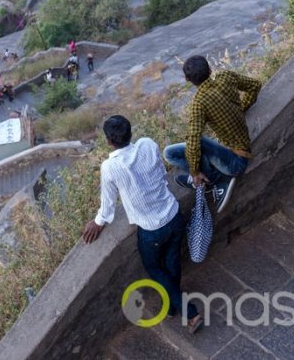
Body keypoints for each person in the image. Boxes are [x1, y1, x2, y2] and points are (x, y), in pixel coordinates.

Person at [82, 116, 203, 333]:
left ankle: (189, 312)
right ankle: (173, 305)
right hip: (173, 214)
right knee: (172, 261)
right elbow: (159, 170)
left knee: (155, 268)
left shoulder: (110, 166)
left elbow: (108, 205)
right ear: (130, 133)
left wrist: (98, 222)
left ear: (109, 141)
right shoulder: (147, 144)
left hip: (151, 229)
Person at [164, 55, 261, 213]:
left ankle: (216, 180)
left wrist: (195, 172)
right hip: (235, 151)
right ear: (209, 69)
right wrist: (241, 107)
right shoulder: (226, 77)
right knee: (179, 149)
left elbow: (194, 143)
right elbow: (255, 85)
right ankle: (207, 178)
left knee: (179, 150)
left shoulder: (199, 103)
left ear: (187, 79)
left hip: (235, 163)